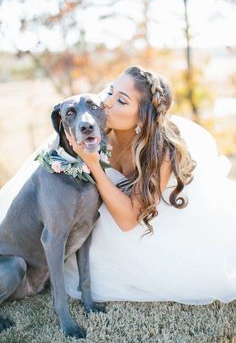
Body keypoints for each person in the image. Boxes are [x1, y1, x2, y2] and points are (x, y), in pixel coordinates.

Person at [1, 66, 236, 305]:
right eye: (111, 91)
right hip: (87, 228)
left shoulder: (163, 152)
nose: (107, 103)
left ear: (143, 117)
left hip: (136, 231)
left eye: (121, 100)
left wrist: (93, 164)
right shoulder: (92, 127)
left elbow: (128, 220)